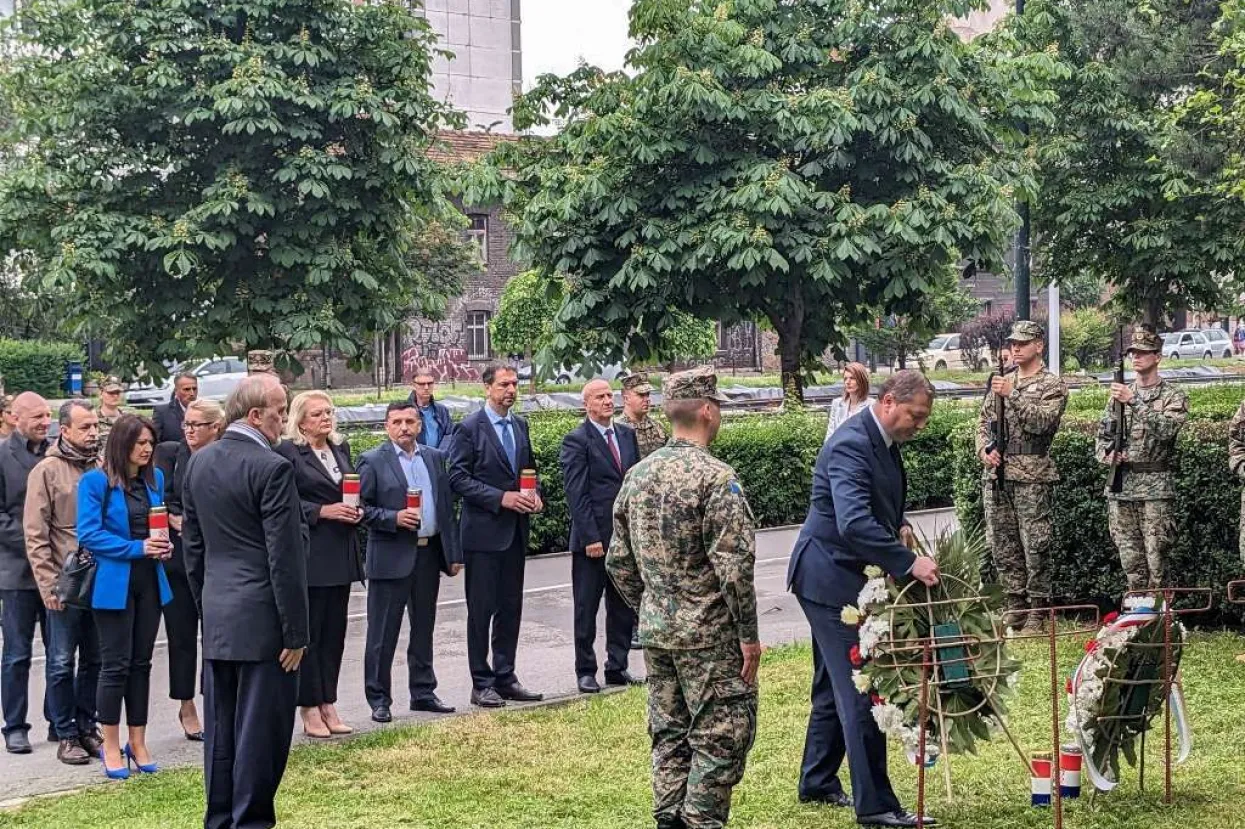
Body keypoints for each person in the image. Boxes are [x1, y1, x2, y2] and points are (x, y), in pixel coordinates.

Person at [787, 370, 941, 828]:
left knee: (831, 684)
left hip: (840, 572)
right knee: (861, 686)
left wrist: (900, 522)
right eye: (915, 416)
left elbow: (873, 503)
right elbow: (853, 522)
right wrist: (906, 562)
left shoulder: (883, 441)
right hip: (828, 578)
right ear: (890, 401)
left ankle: (816, 779)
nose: (920, 426)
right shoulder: (852, 443)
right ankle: (875, 806)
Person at [608, 366, 758, 829]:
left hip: (658, 632)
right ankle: (700, 822)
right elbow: (735, 569)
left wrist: (656, 606)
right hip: (709, 636)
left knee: (670, 735)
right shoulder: (715, 478)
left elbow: (618, 561)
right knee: (719, 737)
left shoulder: (637, 474)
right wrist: (748, 637)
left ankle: (670, 819)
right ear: (708, 412)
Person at [182, 374, 308, 829]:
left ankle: (219, 820)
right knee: (261, 738)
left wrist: (207, 606)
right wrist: (295, 632)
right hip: (264, 623)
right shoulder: (272, 467)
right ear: (255, 415)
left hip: (219, 615)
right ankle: (251, 823)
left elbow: (192, 551)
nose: (283, 422)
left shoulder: (199, 463)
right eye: (278, 413)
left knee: (221, 737)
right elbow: (285, 557)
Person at [77, 414, 174, 779]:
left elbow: (158, 526)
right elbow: (89, 534)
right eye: (140, 443)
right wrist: (138, 547)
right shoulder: (95, 482)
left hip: (150, 581)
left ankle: (139, 740)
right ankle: (110, 744)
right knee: (114, 665)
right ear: (122, 445)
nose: (147, 449)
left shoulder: (156, 480)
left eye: (150, 443)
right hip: (113, 584)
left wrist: (163, 547)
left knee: (141, 664)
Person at [359, 401, 462, 722]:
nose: (404, 427)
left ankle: (423, 692)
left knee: (423, 629)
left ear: (419, 425)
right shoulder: (373, 461)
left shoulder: (434, 458)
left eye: (410, 421)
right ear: (387, 426)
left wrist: (453, 553)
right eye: (397, 422)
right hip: (390, 557)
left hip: (428, 555)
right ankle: (379, 699)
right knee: (382, 633)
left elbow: (445, 508)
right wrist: (393, 517)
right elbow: (360, 508)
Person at [449, 363, 544, 708]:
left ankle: (506, 676)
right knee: (481, 609)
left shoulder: (520, 425)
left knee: (510, 607)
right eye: (504, 384)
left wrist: (535, 494)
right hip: (484, 535)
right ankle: (481, 681)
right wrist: (500, 498)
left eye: (515, 383)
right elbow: (457, 479)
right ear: (487, 388)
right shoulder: (469, 428)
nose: (511, 390)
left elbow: (528, 469)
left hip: (515, 532)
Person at [276, 391, 364, 737]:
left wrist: (356, 509)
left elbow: (353, 487)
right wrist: (321, 511)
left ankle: (329, 702)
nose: (325, 419)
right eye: (316, 414)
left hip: (341, 551)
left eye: (328, 412)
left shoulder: (339, 449)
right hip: (311, 553)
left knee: (334, 634)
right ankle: (309, 707)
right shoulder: (288, 453)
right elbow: (285, 500)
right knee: (310, 634)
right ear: (299, 420)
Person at [24, 400, 103, 765]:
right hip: (66, 583)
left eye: (95, 426)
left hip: (102, 581)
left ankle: (88, 727)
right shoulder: (47, 471)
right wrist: (49, 586)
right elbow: (36, 535)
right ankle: (65, 733)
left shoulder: (103, 466)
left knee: (95, 660)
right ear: (65, 430)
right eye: (85, 427)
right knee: (60, 661)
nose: (92, 433)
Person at [976, 320, 1068, 632]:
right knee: (1003, 542)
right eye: (1013, 343)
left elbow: (1042, 423)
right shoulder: (1003, 380)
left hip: (1032, 473)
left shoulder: (1051, 385)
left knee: (1035, 544)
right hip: (999, 472)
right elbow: (984, 422)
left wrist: (1013, 394)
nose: (1016, 348)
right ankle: (1014, 603)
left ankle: (1038, 610)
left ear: (1039, 346)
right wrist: (984, 451)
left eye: (1023, 343)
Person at [559, 379, 641, 694]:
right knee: (586, 607)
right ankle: (585, 670)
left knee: (621, 606)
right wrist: (590, 536)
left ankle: (617, 667)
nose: (608, 401)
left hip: (624, 538)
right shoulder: (577, 440)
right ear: (587, 404)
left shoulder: (626, 435)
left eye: (610, 395)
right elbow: (576, 493)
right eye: (600, 396)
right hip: (592, 540)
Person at [1097, 329, 1188, 593]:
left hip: (1155, 489)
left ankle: (1162, 621)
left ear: (1157, 357)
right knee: (1131, 560)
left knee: (1157, 557)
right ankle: (1137, 616)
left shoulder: (1172, 396)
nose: (1136, 357)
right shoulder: (1118, 397)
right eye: (1132, 352)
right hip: (1123, 487)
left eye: (1143, 352)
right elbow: (1102, 436)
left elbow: (1167, 430)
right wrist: (1108, 454)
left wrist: (1133, 400)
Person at [160, 398, 225, 742]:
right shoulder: (170, 454)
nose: (188, 431)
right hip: (180, 558)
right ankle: (186, 704)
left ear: (216, 427)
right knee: (182, 636)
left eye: (196, 425)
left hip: (217, 557)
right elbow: (158, 497)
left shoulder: (225, 455)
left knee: (216, 634)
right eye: (186, 424)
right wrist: (172, 515)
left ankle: (215, 699)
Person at [0, 391, 53, 755]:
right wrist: (35, 546)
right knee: (17, 653)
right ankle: (15, 725)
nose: (44, 422)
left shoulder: (55, 454)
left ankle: (59, 721)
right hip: (17, 572)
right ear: (15, 418)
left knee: (60, 653)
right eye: (36, 416)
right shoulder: (3, 455)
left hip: (55, 572)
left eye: (48, 415)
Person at [617, 372, 668, 459]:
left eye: (647, 394)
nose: (647, 399)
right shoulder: (617, 429)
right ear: (626, 399)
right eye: (641, 395)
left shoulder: (657, 427)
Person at [407, 369, 455, 450]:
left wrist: (439, 454)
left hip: (438, 458)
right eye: (421, 384)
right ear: (413, 385)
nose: (426, 387)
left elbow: (449, 434)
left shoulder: (441, 410)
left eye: (429, 383)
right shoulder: (406, 410)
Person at [825, 363, 874, 442]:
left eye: (852, 378)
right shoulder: (837, 404)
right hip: (837, 451)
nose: (847, 382)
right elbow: (829, 435)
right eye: (845, 378)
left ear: (862, 380)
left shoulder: (872, 406)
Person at [153, 372, 198, 444]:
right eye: (187, 389)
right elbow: (154, 442)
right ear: (176, 391)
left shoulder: (205, 410)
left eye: (194, 388)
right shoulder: (162, 412)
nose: (192, 393)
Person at [97, 376, 128, 450]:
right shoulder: (93, 420)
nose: (115, 396)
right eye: (111, 393)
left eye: (118, 392)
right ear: (101, 394)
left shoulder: (128, 419)